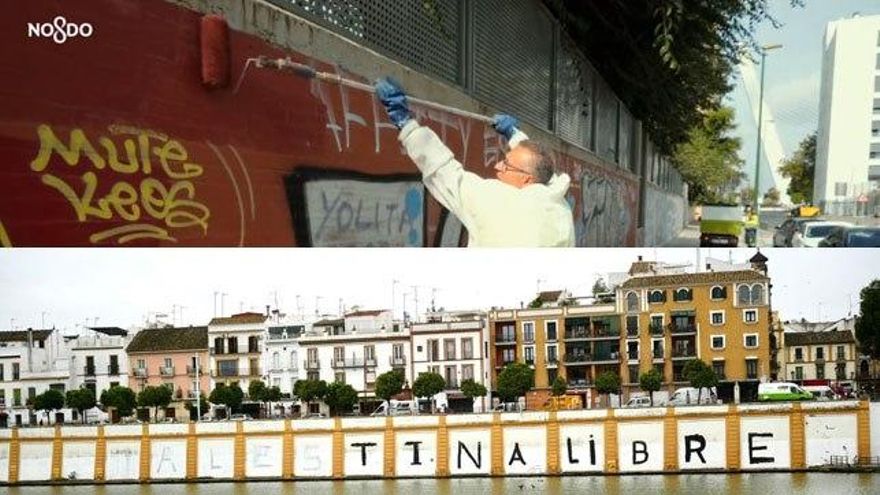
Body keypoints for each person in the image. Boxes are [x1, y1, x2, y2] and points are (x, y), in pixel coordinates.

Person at [374, 77, 575, 247]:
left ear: (526, 180)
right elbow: (540, 167)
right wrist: (513, 134)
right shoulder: (559, 205)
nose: (498, 166)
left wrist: (404, 122)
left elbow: (446, 172)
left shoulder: (497, 203)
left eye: (506, 165)